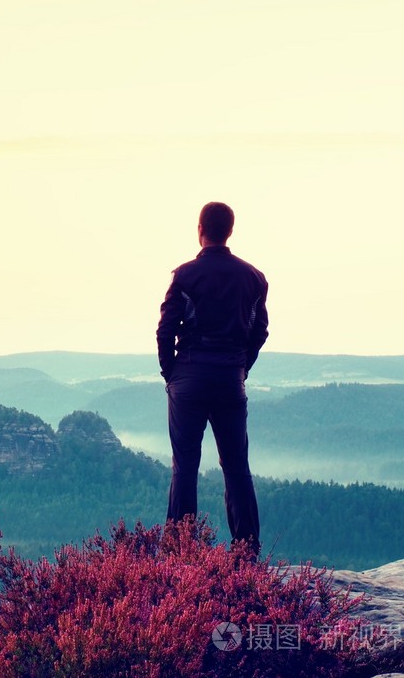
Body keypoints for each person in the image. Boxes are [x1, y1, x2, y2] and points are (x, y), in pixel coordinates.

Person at [156, 201, 268, 557]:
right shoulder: (253, 278)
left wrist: (171, 373)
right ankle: (247, 551)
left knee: (185, 466)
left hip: (188, 376)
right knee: (236, 465)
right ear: (230, 231)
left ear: (199, 229)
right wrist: (241, 367)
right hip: (229, 378)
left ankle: (180, 554)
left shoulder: (185, 275)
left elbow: (165, 329)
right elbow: (259, 330)